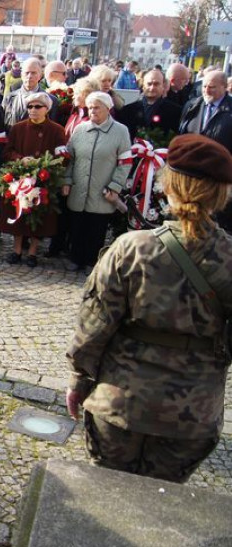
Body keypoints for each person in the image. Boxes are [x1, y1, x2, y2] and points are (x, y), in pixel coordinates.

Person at [66, 134, 232, 483]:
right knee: (160, 505)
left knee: (109, 496)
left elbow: (93, 327)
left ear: (168, 184)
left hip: (121, 401)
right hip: (191, 415)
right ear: (222, 193)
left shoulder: (132, 248)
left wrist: (79, 381)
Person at [61, 91, 132, 271]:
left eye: (97, 107)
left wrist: (115, 186)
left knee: (96, 227)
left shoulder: (120, 131)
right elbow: (71, 158)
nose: (92, 111)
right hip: (79, 187)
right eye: (90, 107)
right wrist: (67, 180)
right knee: (77, 224)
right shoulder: (80, 129)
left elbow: (125, 163)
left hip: (103, 188)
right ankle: (76, 257)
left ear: (108, 109)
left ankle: (92, 261)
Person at [0, 92, 66, 267]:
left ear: (47, 109)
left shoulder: (57, 130)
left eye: (38, 106)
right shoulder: (18, 128)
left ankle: (33, 252)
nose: (33, 110)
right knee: (19, 213)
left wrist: (46, 163)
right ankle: (17, 250)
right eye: (30, 106)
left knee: (40, 215)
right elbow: (7, 151)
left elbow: (63, 155)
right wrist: (20, 159)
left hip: (45, 179)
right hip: (21, 178)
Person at [179, 70, 232, 230]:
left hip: (220, 175)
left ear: (224, 87)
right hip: (193, 173)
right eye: (204, 86)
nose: (207, 91)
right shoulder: (192, 106)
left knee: (218, 218)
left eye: (212, 87)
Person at [116, 69, 181, 142]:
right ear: (143, 86)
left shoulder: (175, 112)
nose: (152, 88)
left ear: (163, 86)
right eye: (149, 84)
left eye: (156, 84)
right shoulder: (127, 111)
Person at [3, 58, 57, 129]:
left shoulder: (51, 100)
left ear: (40, 76)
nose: (29, 76)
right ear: (21, 75)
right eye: (27, 73)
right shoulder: (9, 97)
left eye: (33, 73)